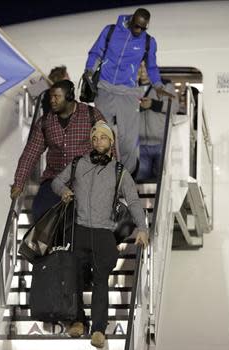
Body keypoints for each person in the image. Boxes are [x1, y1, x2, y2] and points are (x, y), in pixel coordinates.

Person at [51, 120, 148, 349]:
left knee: (100, 280)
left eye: (102, 138)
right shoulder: (78, 164)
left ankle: (98, 329)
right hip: (79, 229)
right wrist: (64, 190)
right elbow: (56, 181)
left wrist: (142, 228)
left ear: (110, 142)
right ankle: (77, 321)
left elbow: (133, 200)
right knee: (73, 276)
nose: (97, 142)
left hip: (105, 233)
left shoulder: (119, 171)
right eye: (94, 138)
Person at [84, 8, 173, 175]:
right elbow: (96, 52)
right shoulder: (110, 31)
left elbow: (152, 66)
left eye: (143, 28)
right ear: (131, 21)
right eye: (137, 26)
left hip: (128, 91)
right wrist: (89, 70)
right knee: (101, 133)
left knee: (128, 139)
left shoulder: (148, 42)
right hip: (105, 87)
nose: (139, 30)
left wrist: (158, 85)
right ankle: (100, 172)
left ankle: (126, 175)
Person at [10, 79, 107, 222]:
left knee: (79, 219)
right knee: (40, 212)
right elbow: (30, 154)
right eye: (51, 97)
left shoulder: (92, 116)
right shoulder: (45, 122)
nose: (52, 101)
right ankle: (48, 244)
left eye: (57, 97)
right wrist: (19, 183)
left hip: (85, 180)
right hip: (54, 180)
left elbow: (107, 148)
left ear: (69, 97)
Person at [137, 62, 178, 181]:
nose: (143, 70)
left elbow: (174, 107)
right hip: (140, 145)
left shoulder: (165, 85)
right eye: (140, 66)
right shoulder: (131, 87)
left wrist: (153, 104)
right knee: (140, 182)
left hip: (162, 144)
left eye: (146, 66)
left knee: (162, 182)